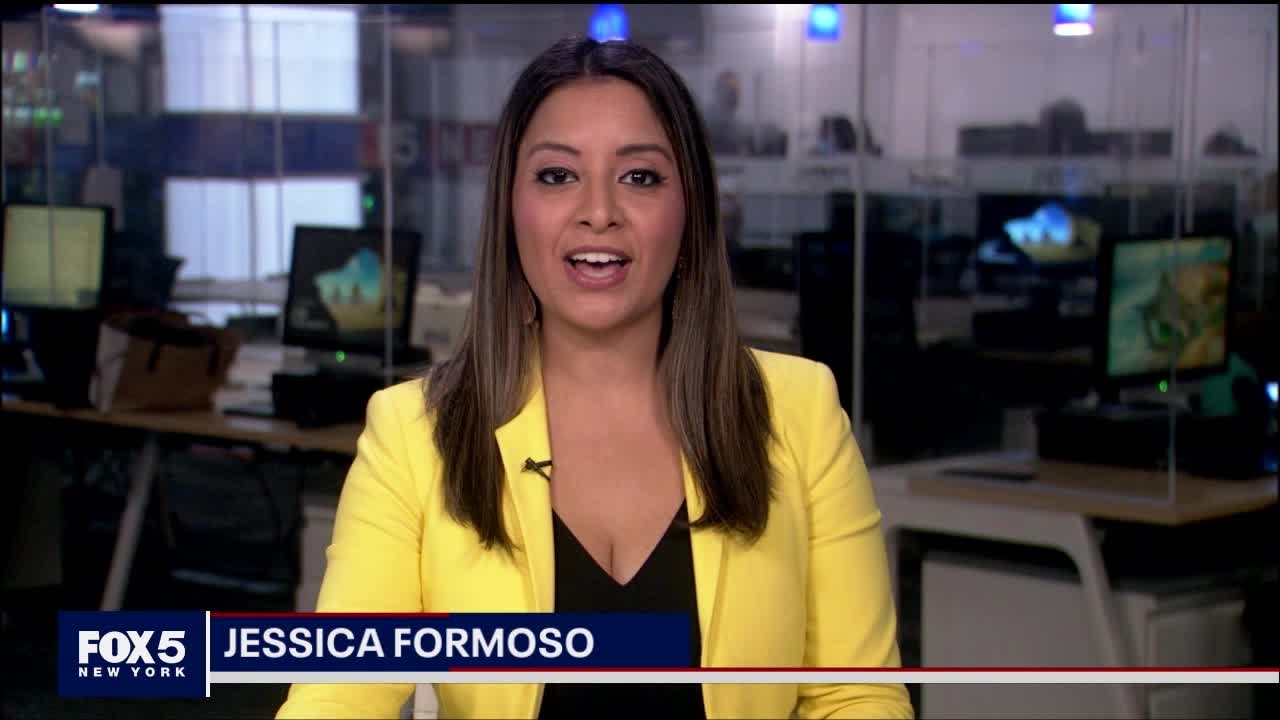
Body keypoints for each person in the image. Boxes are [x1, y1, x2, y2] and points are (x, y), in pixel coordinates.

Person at [277, 35, 912, 720]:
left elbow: (857, 695)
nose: (599, 211)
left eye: (639, 177)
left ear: (691, 209)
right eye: (557, 175)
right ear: (510, 208)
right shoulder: (414, 433)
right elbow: (336, 696)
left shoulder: (800, 412)